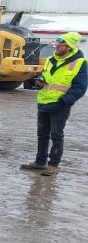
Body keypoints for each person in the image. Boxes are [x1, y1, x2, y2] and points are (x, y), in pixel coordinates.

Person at [20, 32, 86, 176]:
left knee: (56, 135)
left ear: (69, 47)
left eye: (60, 45)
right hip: (43, 102)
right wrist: (38, 81)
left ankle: (53, 165)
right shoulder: (50, 60)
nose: (57, 47)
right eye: (56, 44)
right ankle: (40, 162)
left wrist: (64, 101)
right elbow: (45, 77)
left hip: (60, 105)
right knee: (42, 134)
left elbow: (79, 88)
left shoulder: (80, 63)